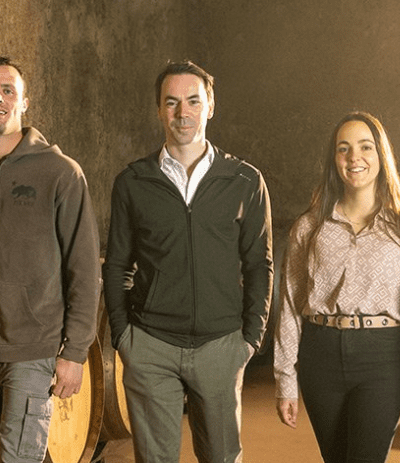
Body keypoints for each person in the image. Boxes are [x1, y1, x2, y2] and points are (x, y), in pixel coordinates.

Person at [102, 60, 273, 463]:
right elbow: (117, 264)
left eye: (193, 101)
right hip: (150, 345)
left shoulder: (245, 180)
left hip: (221, 345)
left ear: (210, 106)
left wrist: (250, 339)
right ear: (159, 109)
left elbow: (259, 265)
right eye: (173, 103)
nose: (183, 113)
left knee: (221, 458)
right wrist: (124, 337)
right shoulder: (133, 181)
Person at [0, 55, 101, 462]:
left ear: (24, 102)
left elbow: (82, 269)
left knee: (17, 458)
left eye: (8, 90)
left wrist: (75, 351)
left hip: (34, 347)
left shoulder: (61, 173)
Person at [274, 111, 400, 463]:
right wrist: (286, 379)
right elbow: (289, 304)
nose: (354, 157)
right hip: (321, 355)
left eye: (365, 147)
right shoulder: (309, 227)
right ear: (334, 160)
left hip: (384, 356)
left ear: (381, 155)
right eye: (343, 149)